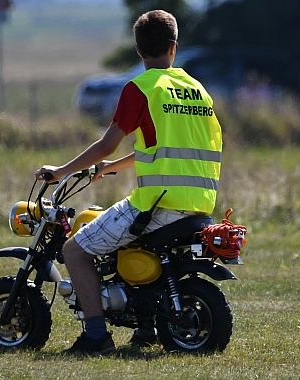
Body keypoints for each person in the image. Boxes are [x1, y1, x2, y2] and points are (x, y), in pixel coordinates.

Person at [35, 10, 223, 355]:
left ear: (138, 51)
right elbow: (168, 148)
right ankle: (145, 327)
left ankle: (96, 335)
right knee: (123, 249)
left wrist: (61, 170)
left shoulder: (141, 88)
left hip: (156, 204)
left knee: (74, 251)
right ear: (174, 48)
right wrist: (114, 167)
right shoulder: (197, 91)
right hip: (199, 204)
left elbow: (108, 141)